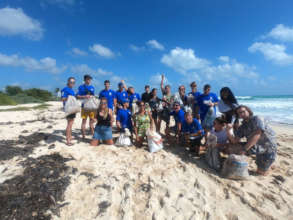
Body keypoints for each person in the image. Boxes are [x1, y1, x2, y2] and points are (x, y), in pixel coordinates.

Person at [230, 105, 277, 176]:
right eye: (239, 113)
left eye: (243, 111)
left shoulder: (257, 119)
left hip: (268, 147)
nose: (242, 114)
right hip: (256, 146)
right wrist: (228, 130)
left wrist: (244, 150)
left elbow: (257, 134)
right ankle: (268, 165)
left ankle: (270, 165)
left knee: (261, 173)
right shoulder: (243, 126)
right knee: (230, 148)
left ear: (248, 111)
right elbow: (234, 141)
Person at [76, 74, 96, 139]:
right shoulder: (81, 87)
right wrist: (84, 96)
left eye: (90, 79)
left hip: (91, 107)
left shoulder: (92, 87)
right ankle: (83, 136)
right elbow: (77, 96)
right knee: (84, 121)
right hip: (84, 106)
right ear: (84, 80)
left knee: (91, 121)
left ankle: (93, 135)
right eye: (87, 79)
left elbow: (93, 96)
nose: (89, 80)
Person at [61, 77, 77, 146]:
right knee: (69, 124)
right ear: (68, 82)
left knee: (71, 123)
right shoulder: (65, 89)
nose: (72, 83)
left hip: (72, 108)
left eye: (73, 82)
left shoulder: (71, 90)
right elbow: (62, 99)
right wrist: (70, 97)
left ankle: (69, 136)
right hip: (68, 108)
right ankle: (68, 140)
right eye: (71, 82)